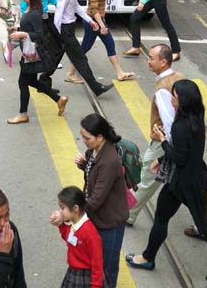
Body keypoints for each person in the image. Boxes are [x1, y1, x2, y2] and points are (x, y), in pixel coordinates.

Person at [127, 80, 207, 273]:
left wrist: (163, 141)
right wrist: (163, 158)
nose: (171, 99)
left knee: (162, 218)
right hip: (197, 178)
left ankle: (147, 258)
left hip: (180, 183)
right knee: (204, 223)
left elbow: (179, 158)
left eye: (174, 95)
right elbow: (187, 151)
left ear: (183, 100)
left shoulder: (180, 126)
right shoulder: (197, 118)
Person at [127, 44, 185, 226]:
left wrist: (167, 151)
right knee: (188, 184)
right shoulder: (180, 77)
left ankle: (127, 214)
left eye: (151, 58)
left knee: (145, 179)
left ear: (164, 61)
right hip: (184, 139)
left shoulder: (162, 89)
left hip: (164, 141)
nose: (148, 61)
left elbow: (168, 123)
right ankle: (201, 224)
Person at [76, 114, 129, 288]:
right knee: (95, 263)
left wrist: (72, 214)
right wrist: (85, 165)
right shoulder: (94, 150)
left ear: (100, 137)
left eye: (87, 137)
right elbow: (94, 177)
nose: (83, 140)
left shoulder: (109, 161)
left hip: (109, 223)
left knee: (107, 267)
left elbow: (97, 199)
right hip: (97, 218)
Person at [6, 0, 66, 125]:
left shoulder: (34, 13)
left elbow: (39, 35)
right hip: (29, 53)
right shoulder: (30, 9)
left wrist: (23, 34)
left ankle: (23, 114)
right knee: (31, 81)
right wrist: (17, 28)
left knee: (22, 82)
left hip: (32, 55)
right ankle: (58, 99)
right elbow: (28, 27)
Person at [69, 0, 134, 84]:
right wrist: (102, 25)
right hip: (93, 22)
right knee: (84, 48)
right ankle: (71, 72)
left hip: (97, 20)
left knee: (110, 44)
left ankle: (120, 72)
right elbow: (94, 10)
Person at [54, 0, 112, 97]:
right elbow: (58, 13)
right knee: (81, 59)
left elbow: (77, 8)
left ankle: (43, 80)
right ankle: (97, 88)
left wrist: (90, 21)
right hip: (65, 31)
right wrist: (58, 34)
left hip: (68, 29)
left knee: (54, 58)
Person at [49, 186, 104, 288]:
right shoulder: (73, 224)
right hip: (74, 270)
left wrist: (96, 286)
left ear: (75, 208)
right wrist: (60, 224)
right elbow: (69, 238)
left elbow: (97, 263)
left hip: (85, 275)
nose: (60, 211)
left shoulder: (89, 232)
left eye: (62, 208)